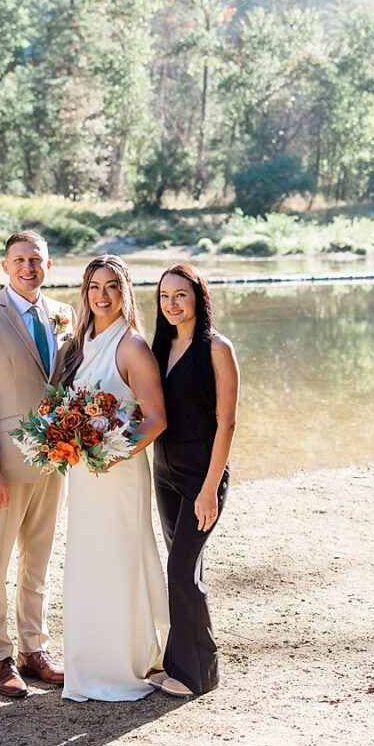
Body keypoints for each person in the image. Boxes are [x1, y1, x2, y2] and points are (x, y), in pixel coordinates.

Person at [0, 230, 70, 699]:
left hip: (54, 462)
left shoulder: (64, 315)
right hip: (0, 466)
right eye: (19, 260)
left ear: (48, 265)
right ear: (5, 267)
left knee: (37, 561)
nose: (28, 268)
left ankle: (33, 649)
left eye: (36, 260)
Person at [52, 254, 169, 702]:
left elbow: (155, 418)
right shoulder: (79, 344)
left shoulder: (132, 346)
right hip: (84, 476)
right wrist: (62, 440)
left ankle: (122, 661)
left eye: (112, 287)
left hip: (117, 473)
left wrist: (110, 453)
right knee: (86, 562)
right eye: (94, 287)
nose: (102, 296)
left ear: (125, 293)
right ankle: (87, 662)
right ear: (84, 293)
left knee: (119, 561)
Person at [147, 263, 239, 698]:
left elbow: (227, 423)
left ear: (198, 298)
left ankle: (199, 674)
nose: (172, 304)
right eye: (165, 296)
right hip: (163, 472)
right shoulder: (160, 347)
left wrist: (209, 488)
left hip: (201, 477)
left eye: (180, 295)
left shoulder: (217, 349)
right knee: (183, 569)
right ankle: (178, 663)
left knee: (182, 570)